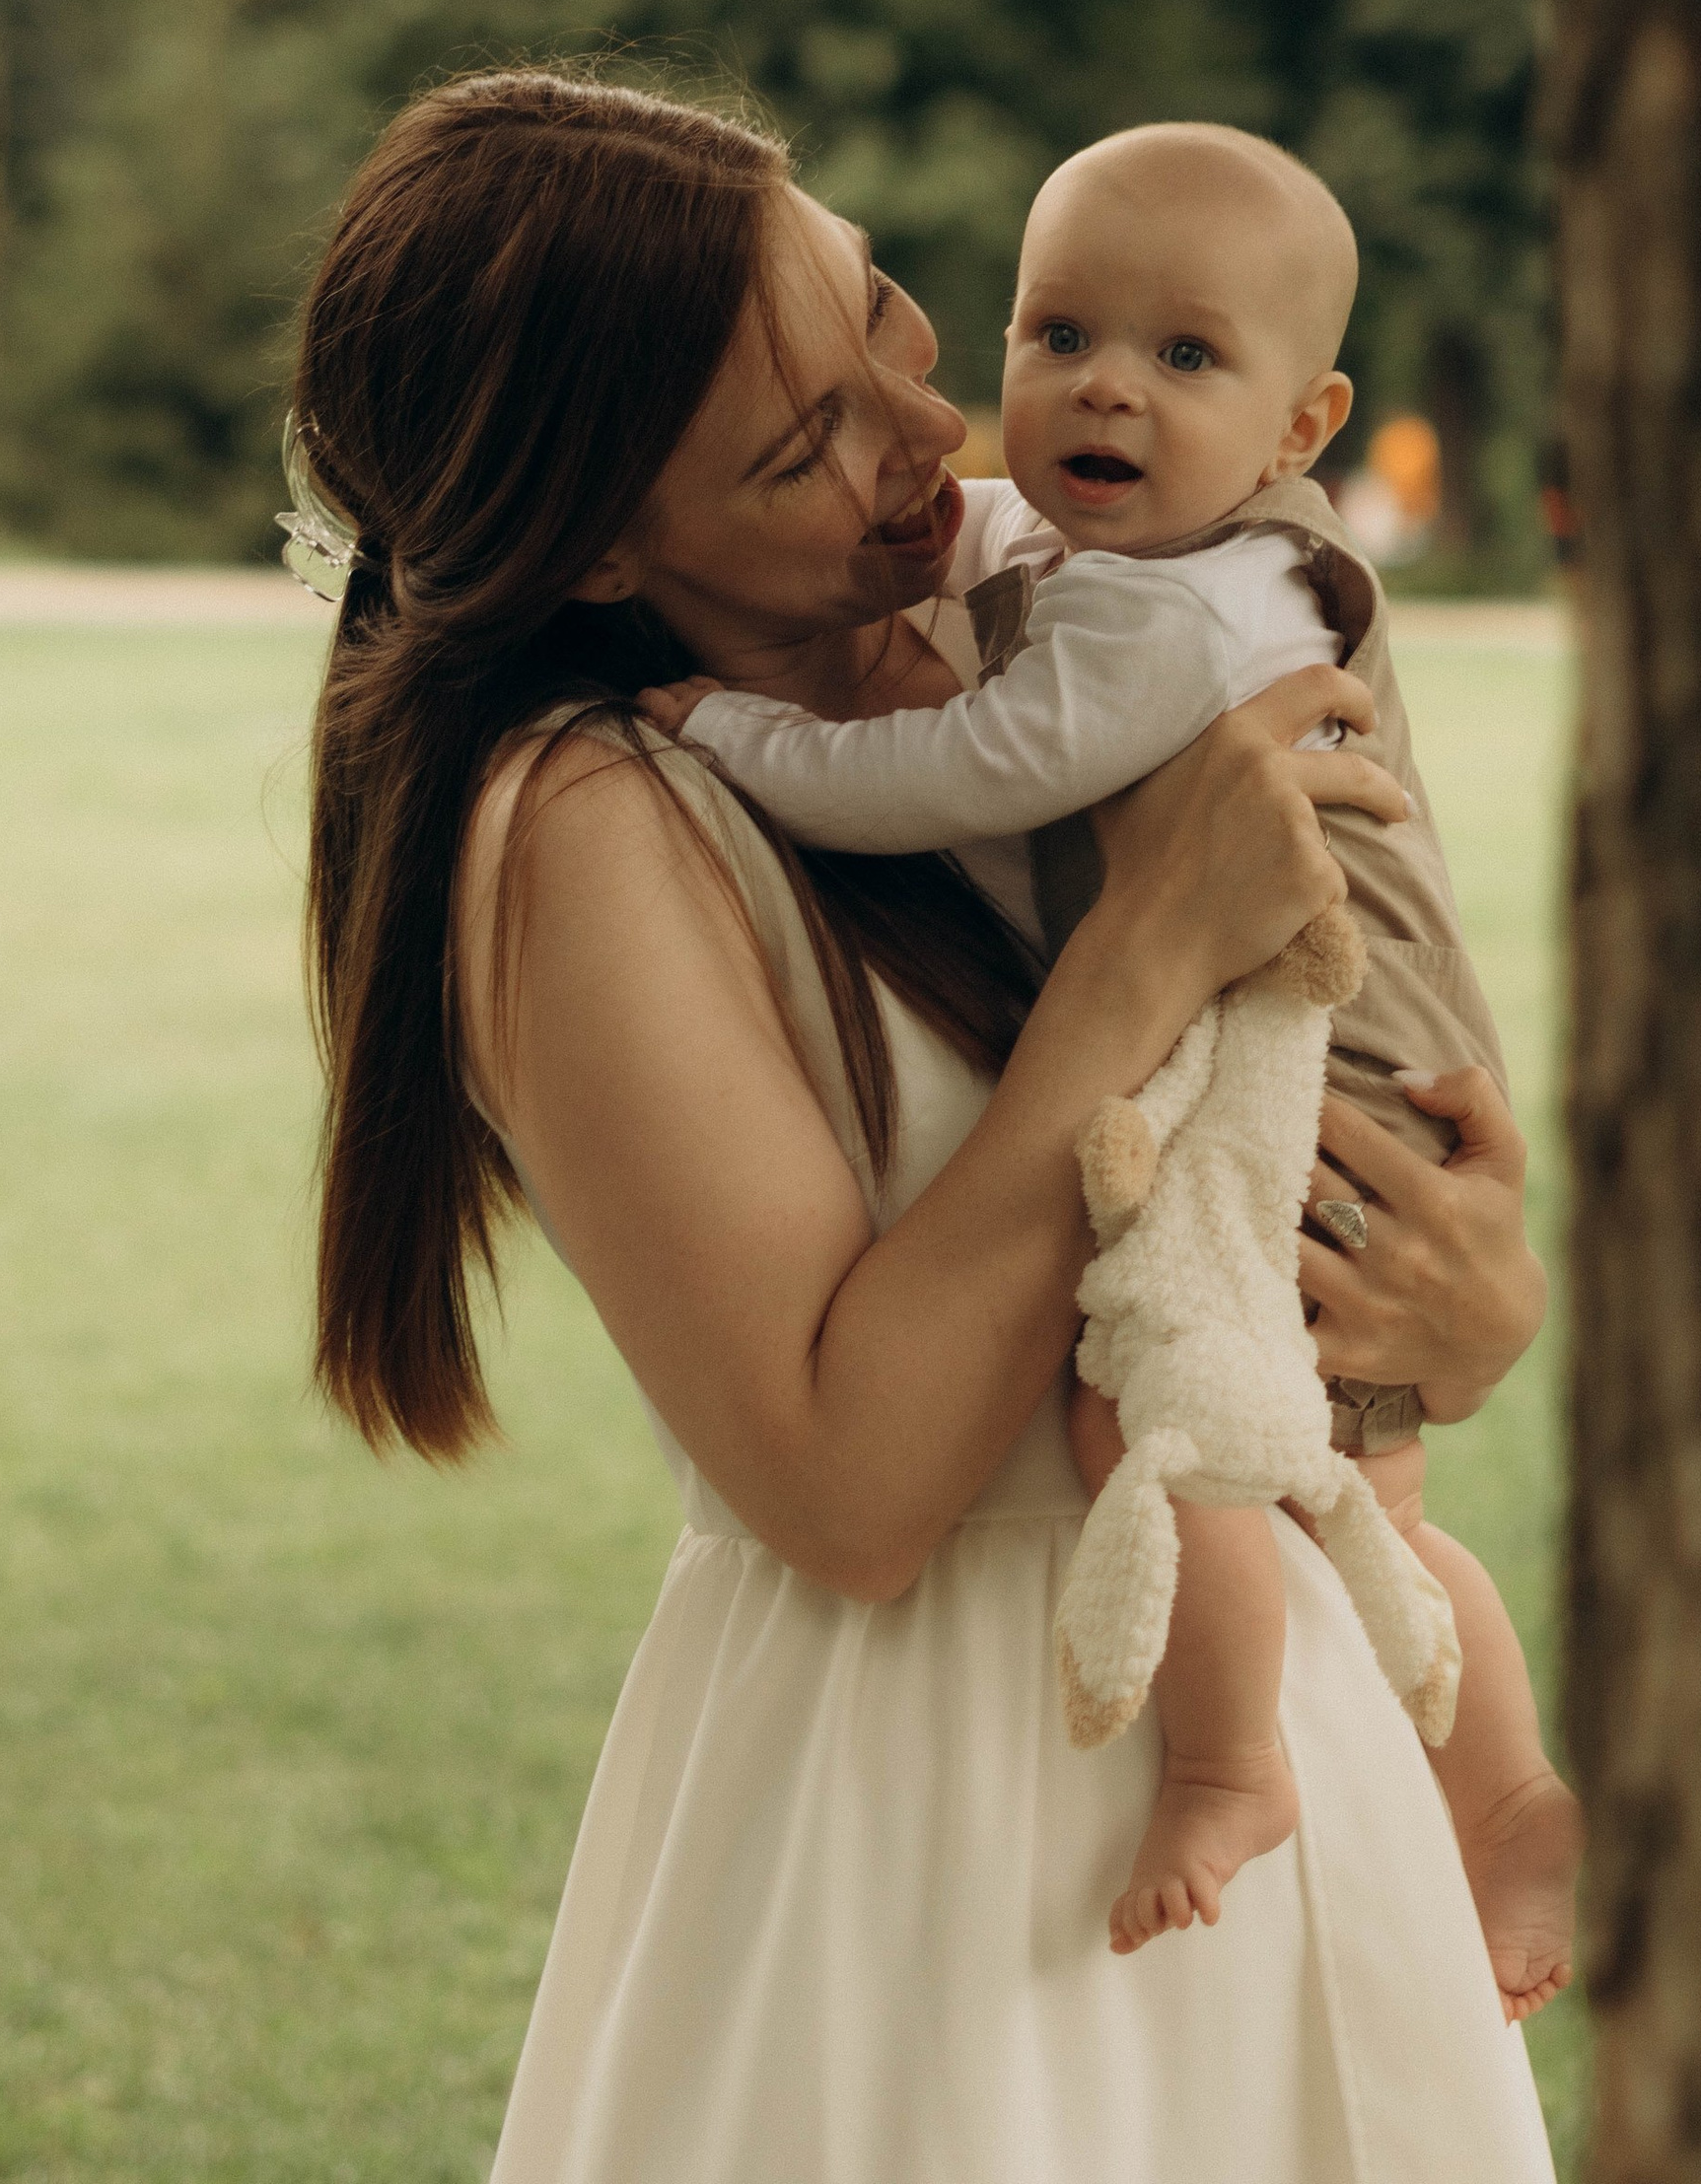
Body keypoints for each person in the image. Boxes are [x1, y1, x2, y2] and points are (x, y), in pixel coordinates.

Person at [288, 68, 1556, 2184]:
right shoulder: (589, 823)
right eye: (802, 443)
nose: (922, 433)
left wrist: (1456, 1306)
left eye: (884, 320)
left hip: (1272, 1731)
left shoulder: (1033, 602)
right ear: (603, 537)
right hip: (953, 1818)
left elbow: (1312, 1096)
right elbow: (850, 1485)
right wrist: (1140, 954)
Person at [639, 122, 1581, 2001]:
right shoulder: (1110, 562)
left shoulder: (1185, 609)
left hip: (1315, 1080)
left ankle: (1250, 1763)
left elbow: (968, 775)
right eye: (1056, 332)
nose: (1098, 391)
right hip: (1307, 1052)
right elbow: (1005, 565)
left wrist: (742, 736)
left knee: (1169, 1416)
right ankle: (1506, 1790)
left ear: (1303, 428)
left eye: (1182, 358)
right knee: (1360, 1487)